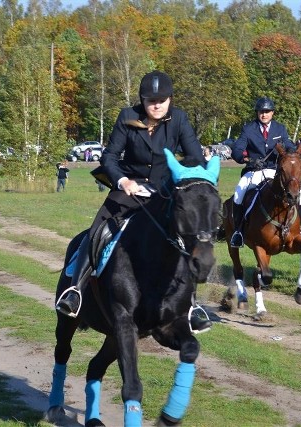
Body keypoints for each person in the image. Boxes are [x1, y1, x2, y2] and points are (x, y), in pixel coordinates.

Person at [55, 70, 212, 333]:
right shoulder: (127, 117)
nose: (157, 105)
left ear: (170, 99)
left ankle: (192, 305)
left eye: (162, 100)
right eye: (152, 100)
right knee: (98, 230)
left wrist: (190, 180)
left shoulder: (180, 119)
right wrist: (123, 181)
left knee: (185, 238)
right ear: (142, 100)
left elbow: (195, 157)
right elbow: (110, 158)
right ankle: (75, 291)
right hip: (128, 190)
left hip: (163, 195)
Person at [229, 97, 295, 248]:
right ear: (257, 113)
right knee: (239, 193)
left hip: (274, 171)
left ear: (272, 113)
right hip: (254, 170)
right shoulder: (248, 128)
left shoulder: (280, 129)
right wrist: (248, 160)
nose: (264, 114)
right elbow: (237, 149)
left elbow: (288, 143)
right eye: (261, 112)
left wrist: (292, 151)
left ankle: (300, 230)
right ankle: (238, 231)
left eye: (267, 112)